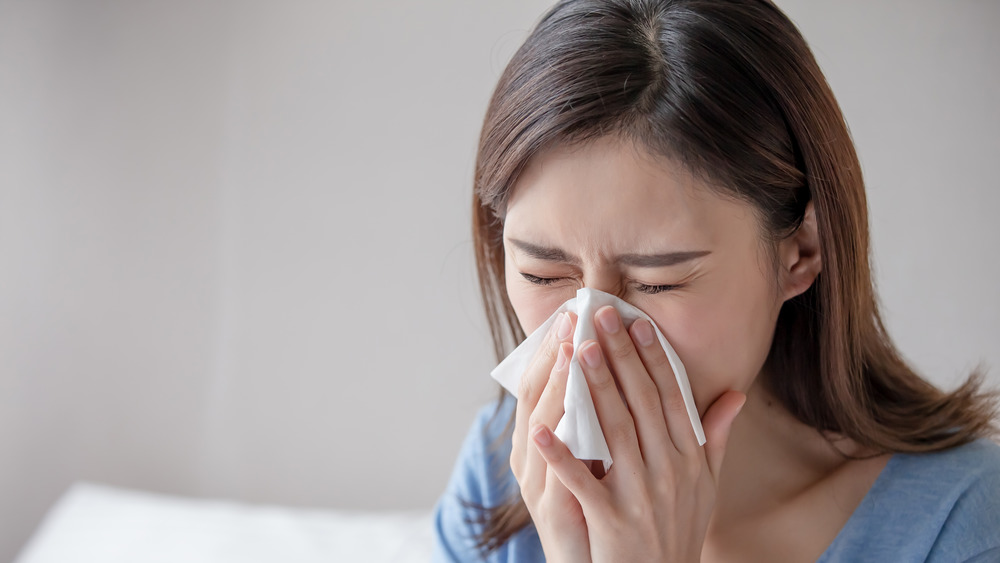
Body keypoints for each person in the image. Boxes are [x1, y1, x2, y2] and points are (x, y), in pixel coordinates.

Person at [432, 0, 1000, 561]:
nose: (589, 341)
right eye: (543, 273)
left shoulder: (962, 527)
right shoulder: (498, 470)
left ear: (800, 250)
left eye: (658, 282)